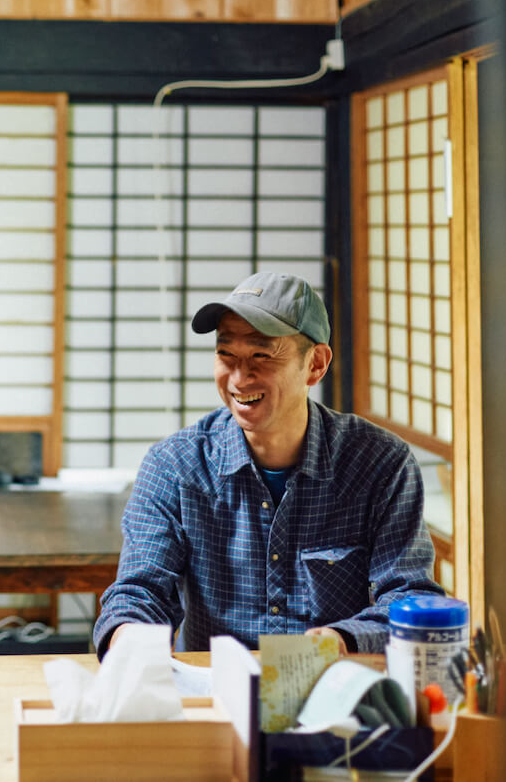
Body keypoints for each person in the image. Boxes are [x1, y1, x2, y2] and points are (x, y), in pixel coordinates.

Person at [93, 271, 443, 658]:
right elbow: (141, 588)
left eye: (262, 355)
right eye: (226, 354)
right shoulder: (175, 465)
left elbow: (410, 596)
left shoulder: (379, 463)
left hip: (335, 687)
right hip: (217, 696)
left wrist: (341, 640)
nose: (240, 378)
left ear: (315, 364)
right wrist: (128, 637)